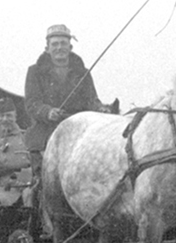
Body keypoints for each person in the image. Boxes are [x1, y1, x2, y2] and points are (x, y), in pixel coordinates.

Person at [23, 24, 112, 157]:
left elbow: (91, 100)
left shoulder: (83, 73)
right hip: (46, 131)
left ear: (70, 47)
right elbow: (32, 103)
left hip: (78, 129)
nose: (59, 47)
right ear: (47, 49)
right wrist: (48, 112)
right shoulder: (34, 72)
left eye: (63, 43)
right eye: (55, 44)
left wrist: (101, 108)